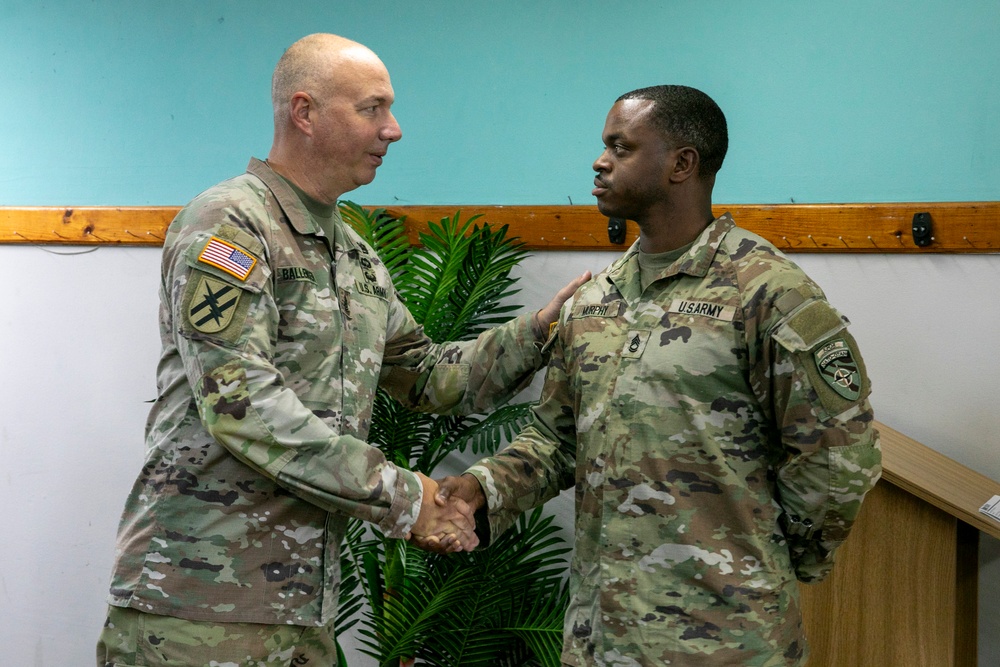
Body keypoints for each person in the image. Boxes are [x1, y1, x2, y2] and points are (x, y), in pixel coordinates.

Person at [96, 33, 587, 666]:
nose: (394, 129)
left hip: (303, 608)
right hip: (200, 603)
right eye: (372, 108)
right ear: (304, 112)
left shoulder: (353, 253)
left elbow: (431, 377)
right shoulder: (229, 225)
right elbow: (243, 403)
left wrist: (542, 329)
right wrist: (407, 499)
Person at [427, 85, 881, 666]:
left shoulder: (767, 291)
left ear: (681, 164)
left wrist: (767, 554)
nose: (600, 161)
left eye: (621, 146)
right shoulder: (594, 299)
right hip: (600, 639)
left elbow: (839, 456)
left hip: (725, 642)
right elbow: (557, 438)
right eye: (604, 146)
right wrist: (481, 489)